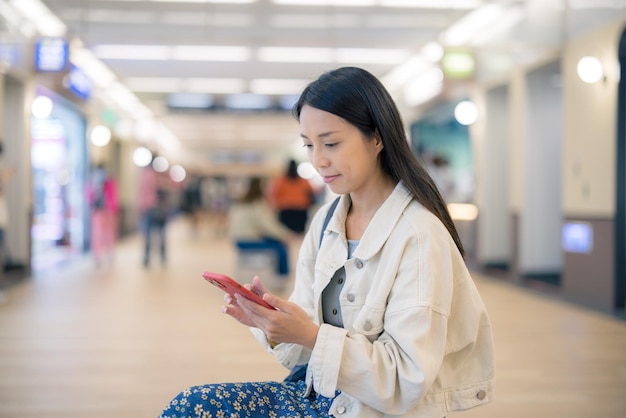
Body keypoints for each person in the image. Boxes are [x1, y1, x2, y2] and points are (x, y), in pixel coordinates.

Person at [160, 67, 495, 418]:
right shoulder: (326, 222)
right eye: (309, 145)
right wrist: (270, 322)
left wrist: (311, 336)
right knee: (191, 406)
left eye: (331, 143)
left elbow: (405, 381)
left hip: (369, 410)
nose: (318, 160)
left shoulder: (420, 235)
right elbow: (307, 341)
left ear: (377, 138)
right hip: (318, 396)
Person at [228, 177, 297, 285]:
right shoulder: (257, 203)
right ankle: (282, 278)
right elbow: (268, 226)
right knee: (280, 247)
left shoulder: (240, 202)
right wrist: (285, 234)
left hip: (238, 241)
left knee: (277, 244)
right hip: (250, 241)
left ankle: (281, 276)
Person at [268, 158, 315, 233]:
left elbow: (274, 195)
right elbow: (311, 193)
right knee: (299, 232)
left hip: (286, 210)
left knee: (286, 232)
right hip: (300, 209)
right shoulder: (303, 181)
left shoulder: (280, 181)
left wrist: (275, 207)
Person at [137, 161, 169, 267]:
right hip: (158, 207)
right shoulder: (161, 176)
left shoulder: (145, 175)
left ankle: (147, 257)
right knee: (161, 233)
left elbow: (142, 191)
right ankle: (162, 256)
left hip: (148, 208)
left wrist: (141, 207)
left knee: (147, 233)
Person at [88, 163, 119, 266]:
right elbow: (90, 197)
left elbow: (113, 196)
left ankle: (105, 253)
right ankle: (100, 255)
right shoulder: (96, 182)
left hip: (104, 212)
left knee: (104, 234)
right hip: (102, 212)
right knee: (101, 234)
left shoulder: (106, 182)